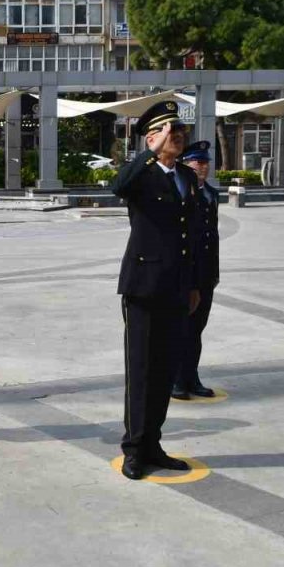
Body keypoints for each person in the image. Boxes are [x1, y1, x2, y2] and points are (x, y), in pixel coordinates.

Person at [111, 100, 201, 480]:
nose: (177, 136)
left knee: (164, 371)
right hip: (144, 288)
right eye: (168, 131)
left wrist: (194, 283)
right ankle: (134, 449)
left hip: (177, 289)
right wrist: (147, 153)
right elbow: (118, 186)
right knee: (142, 371)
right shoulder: (142, 175)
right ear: (152, 137)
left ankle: (154, 443)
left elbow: (191, 235)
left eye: (179, 131)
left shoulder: (186, 177)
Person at [174, 141, 218, 401]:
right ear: (185, 164)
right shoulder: (180, 192)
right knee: (181, 328)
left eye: (205, 162)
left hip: (205, 274)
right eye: (197, 162)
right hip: (185, 274)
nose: (202, 167)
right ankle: (176, 380)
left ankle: (192, 377)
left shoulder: (211, 193)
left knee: (197, 330)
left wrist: (212, 276)